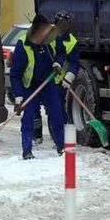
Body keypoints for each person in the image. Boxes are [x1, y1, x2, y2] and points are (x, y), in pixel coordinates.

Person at [10, 14, 66, 160]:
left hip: (48, 83)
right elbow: (15, 74)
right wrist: (19, 97)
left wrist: (58, 63)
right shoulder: (23, 45)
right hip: (30, 86)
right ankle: (27, 151)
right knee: (28, 118)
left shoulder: (52, 39)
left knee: (56, 114)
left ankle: (61, 147)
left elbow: (61, 52)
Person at [32, 10, 79, 142]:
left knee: (57, 109)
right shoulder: (47, 35)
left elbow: (74, 64)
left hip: (59, 82)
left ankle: (60, 137)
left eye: (65, 24)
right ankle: (37, 136)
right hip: (42, 78)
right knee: (34, 107)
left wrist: (68, 79)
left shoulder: (72, 42)